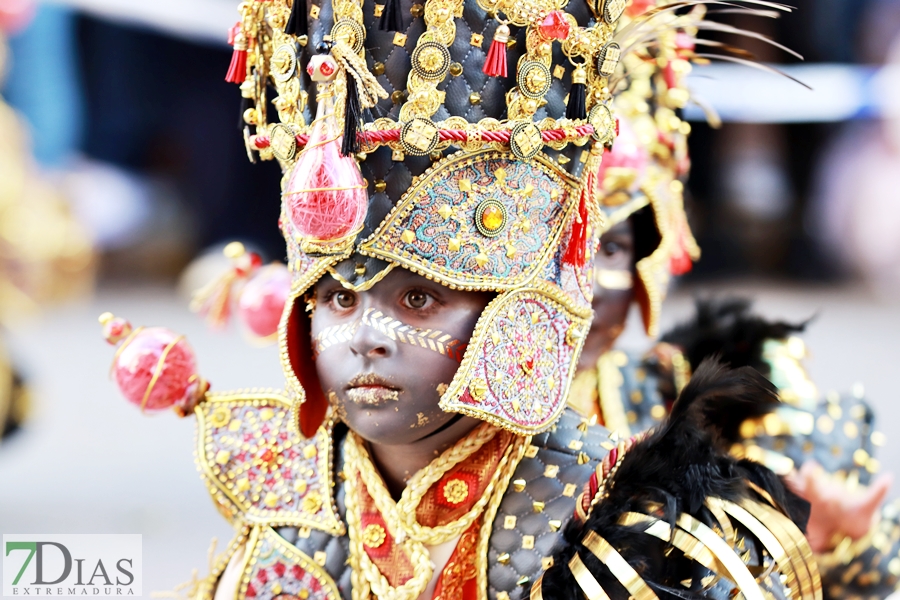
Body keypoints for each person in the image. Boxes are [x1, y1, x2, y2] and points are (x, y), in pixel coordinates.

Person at [102, 0, 823, 598]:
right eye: (339, 300)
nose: (366, 337)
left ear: (515, 317)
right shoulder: (288, 503)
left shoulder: (614, 522)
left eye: (417, 299)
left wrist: (839, 541)